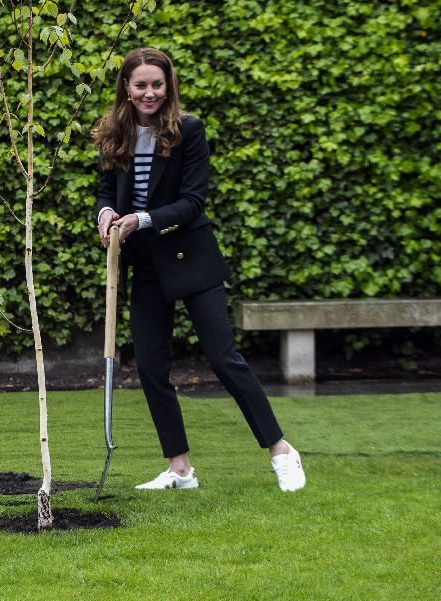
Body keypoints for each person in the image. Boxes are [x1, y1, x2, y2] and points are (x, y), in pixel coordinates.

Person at [93, 47, 305, 492]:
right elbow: (105, 190)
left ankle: (281, 451)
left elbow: (193, 203)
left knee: (224, 359)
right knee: (151, 367)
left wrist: (142, 219)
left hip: (191, 259)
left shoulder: (189, 130)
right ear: (126, 89)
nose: (149, 92)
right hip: (146, 265)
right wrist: (108, 213)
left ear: (168, 85)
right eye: (140, 85)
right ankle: (180, 468)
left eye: (157, 84)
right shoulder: (115, 133)